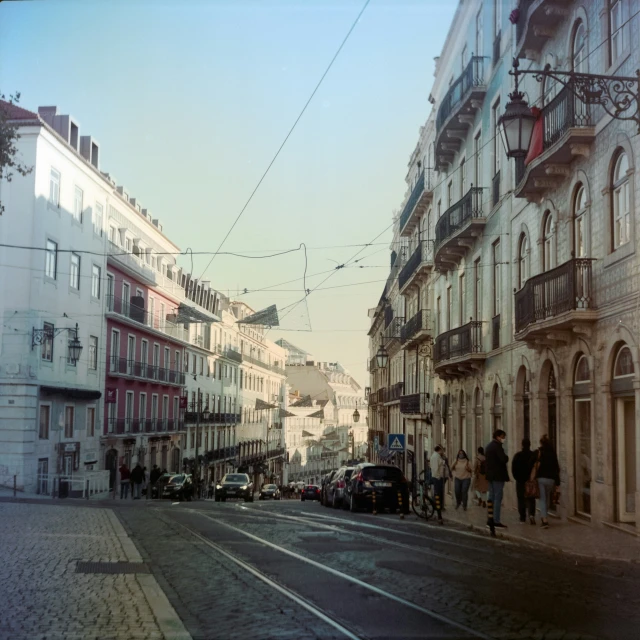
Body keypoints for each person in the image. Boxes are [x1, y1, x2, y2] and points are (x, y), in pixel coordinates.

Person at [485, 429, 510, 529]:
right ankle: (496, 520)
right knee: (497, 498)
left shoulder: (489, 446)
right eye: (503, 437)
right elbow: (503, 459)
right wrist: (506, 457)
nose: (504, 439)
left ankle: (489, 519)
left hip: (490, 476)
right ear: (498, 436)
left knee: (491, 497)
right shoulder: (497, 447)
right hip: (498, 476)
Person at [535, 434, 561, 529]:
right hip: (551, 480)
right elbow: (557, 468)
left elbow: (536, 465)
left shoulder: (540, 452)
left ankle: (544, 520)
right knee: (546, 498)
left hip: (541, 479)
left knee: (542, 499)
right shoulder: (553, 453)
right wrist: (557, 483)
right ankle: (544, 516)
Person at [512, 438, 537, 525]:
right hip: (530, 480)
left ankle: (522, 517)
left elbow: (513, 469)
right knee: (531, 498)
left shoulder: (517, 456)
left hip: (520, 481)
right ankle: (531, 515)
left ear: (522, 445)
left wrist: (517, 478)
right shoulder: (533, 455)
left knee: (521, 499)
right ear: (529, 445)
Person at [429, 445, 447, 520]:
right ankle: (437, 508)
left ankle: (438, 507)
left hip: (437, 477)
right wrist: (439, 477)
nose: (443, 451)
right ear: (439, 450)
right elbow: (436, 468)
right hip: (437, 478)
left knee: (438, 494)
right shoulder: (436, 457)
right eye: (442, 450)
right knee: (438, 494)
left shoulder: (435, 456)